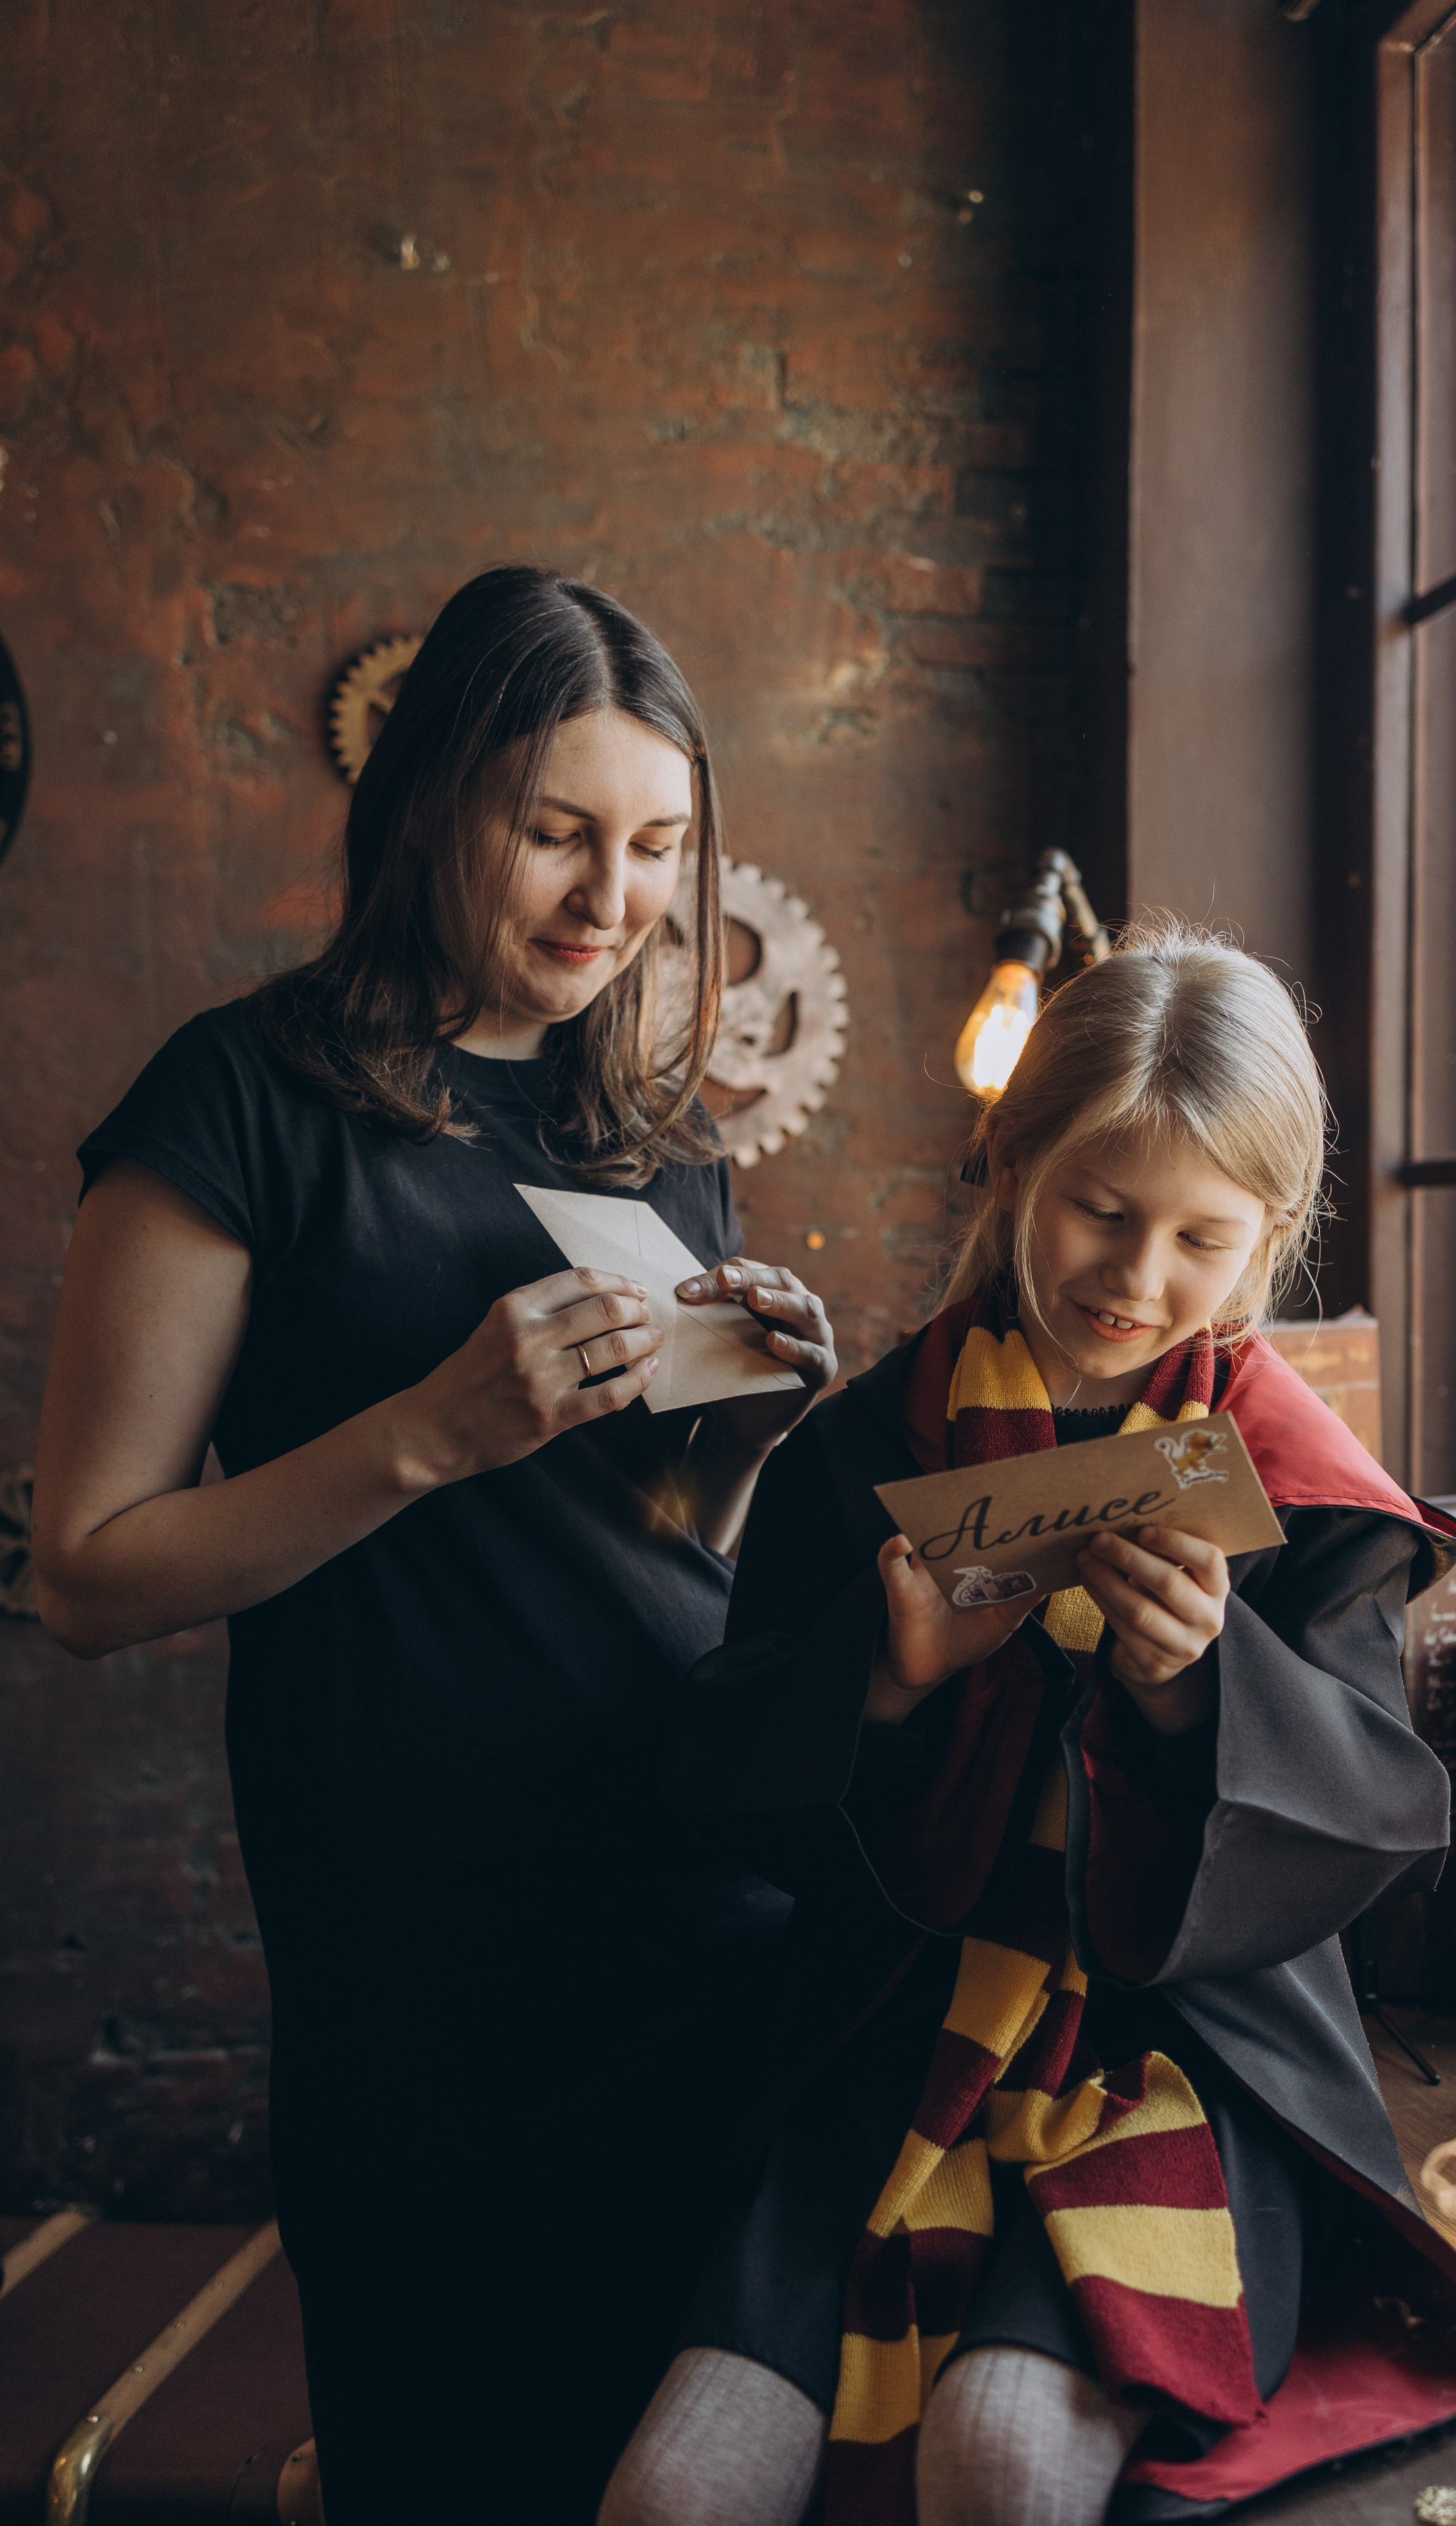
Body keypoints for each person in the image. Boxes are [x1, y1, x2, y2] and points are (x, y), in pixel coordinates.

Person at [30, 567, 837, 2523]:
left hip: (697, 1878)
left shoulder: (650, 1130)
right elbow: (87, 1570)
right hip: (425, 1936)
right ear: (426, 805)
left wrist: (743, 1442)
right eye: (556, 830)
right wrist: (420, 1436)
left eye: (655, 846)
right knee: (452, 2450)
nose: (610, 896)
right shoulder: (237, 1101)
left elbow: (658, 1540)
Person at [605, 924, 1456, 2526]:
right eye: (1098, 1207)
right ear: (1009, 1160)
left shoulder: (1306, 1500)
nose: (1135, 1277)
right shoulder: (862, 1449)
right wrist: (890, 1680)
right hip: (887, 2042)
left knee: (1003, 2453)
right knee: (677, 2492)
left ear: (1271, 1237)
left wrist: (1191, 1689)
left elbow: (1375, 1823)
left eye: (1199, 1239)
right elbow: (717, 1783)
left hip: (1185, 2066)